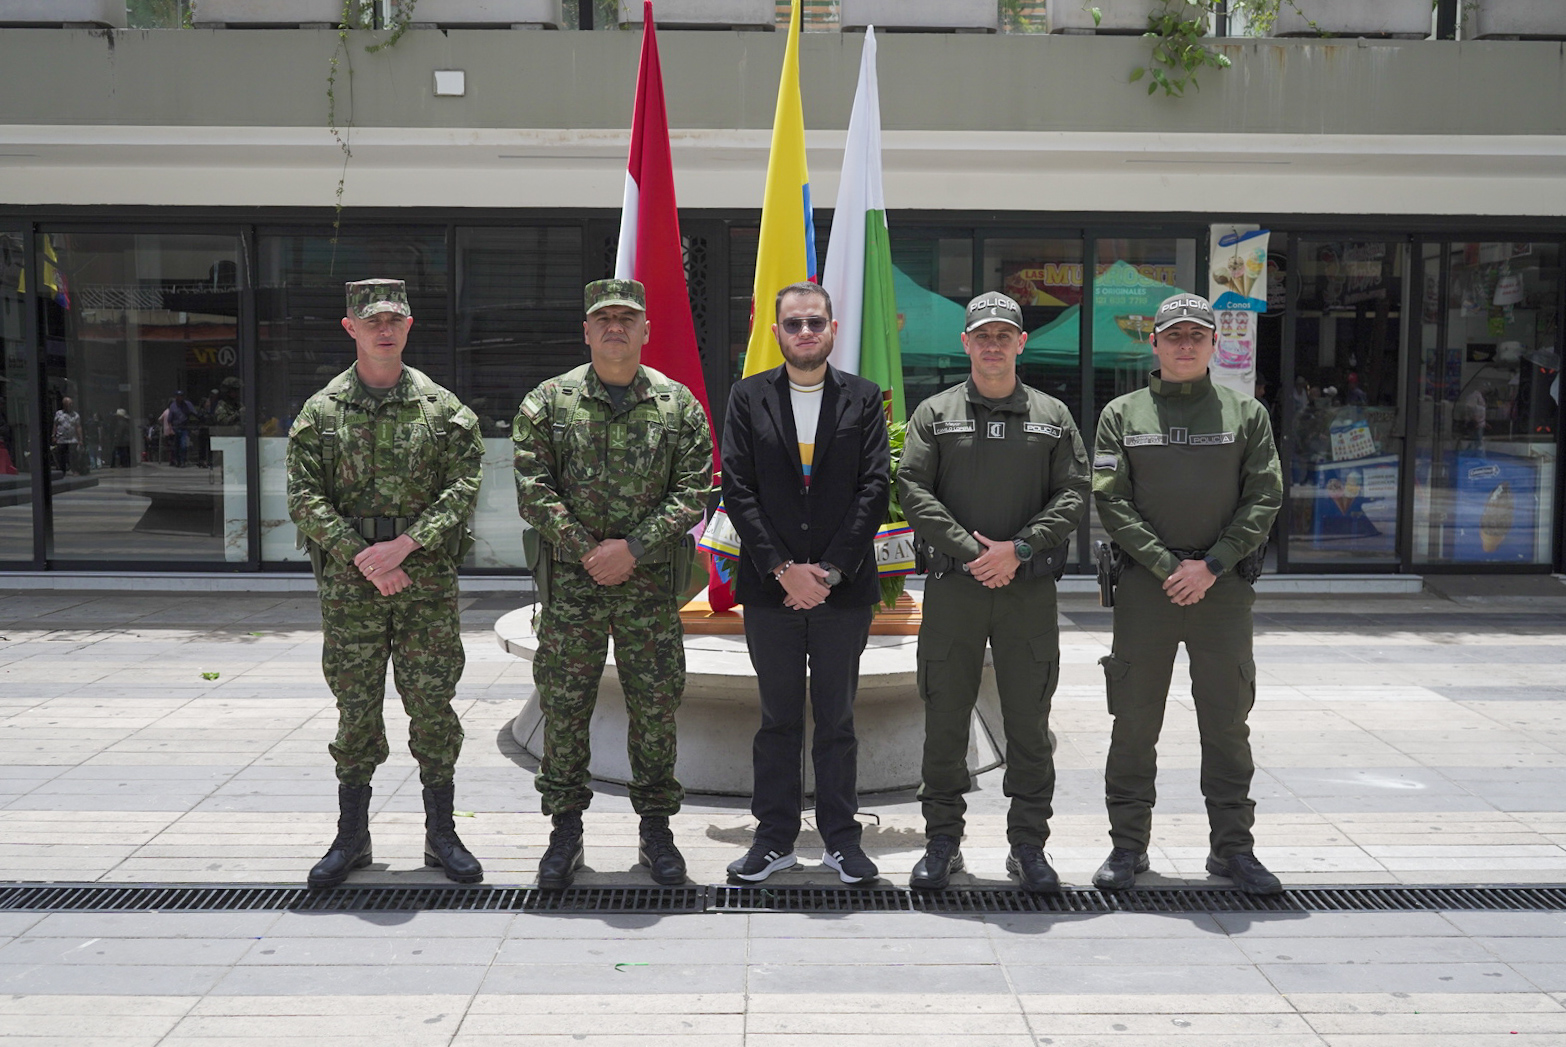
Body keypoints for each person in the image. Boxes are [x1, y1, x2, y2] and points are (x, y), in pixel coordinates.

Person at [287, 278, 486, 889]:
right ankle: (352, 837)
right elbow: (303, 497)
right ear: (350, 327)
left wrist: (404, 546)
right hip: (351, 586)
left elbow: (464, 487)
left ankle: (441, 835)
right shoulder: (322, 413)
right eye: (371, 320)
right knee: (355, 709)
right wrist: (365, 557)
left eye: (393, 319)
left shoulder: (443, 410)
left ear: (408, 325)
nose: (383, 329)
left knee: (433, 706)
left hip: (425, 579)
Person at [512, 278, 711, 889]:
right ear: (587, 331)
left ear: (646, 329)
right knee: (565, 707)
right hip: (573, 588)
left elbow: (695, 490)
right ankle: (564, 831)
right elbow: (531, 488)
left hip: (648, 589)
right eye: (604, 319)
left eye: (627, 318)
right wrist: (589, 552)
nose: (615, 327)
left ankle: (656, 831)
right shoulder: (549, 402)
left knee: (655, 708)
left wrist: (633, 549)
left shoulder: (678, 406)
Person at [1091, 291, 1283, 895]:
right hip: (1146, 592)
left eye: (1196, 336)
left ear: (1214, 345)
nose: (1184, 345)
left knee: (1226, 723)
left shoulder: (1246, 414)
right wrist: (1167, 565)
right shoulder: (1122, 414)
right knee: (1133, 722)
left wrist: (1213, 564)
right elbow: (1111, 500)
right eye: (1173, 335)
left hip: (1221, 592)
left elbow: (1265, 497)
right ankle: (1128, 847)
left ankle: (1233, 850)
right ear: (1153, 343)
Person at [898, 291, 1090, 893]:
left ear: (1021, 343)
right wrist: (973, 552)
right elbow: (912, 487)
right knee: (945, 721)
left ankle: (1028, 846)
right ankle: (942, 842)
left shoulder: (1052, 416)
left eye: (1004, 334)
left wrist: (1020, 549)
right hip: (955, 589)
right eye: (982, 335)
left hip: (1025, 593)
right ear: (966, 343)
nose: (992, 344)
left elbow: (1075, 492)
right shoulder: (935, 413)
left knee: (1029, 725)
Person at [720, 281, 891, 885]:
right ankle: (774, 840)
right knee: (778, 721)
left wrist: (830, 571)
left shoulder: (864, 398)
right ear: (776, 333)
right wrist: (782, 569)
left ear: (833, 329)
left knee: (837, 721)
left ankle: (842, 841)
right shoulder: (748, 397)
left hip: (844, 591)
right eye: (793, 324)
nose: (805, 333)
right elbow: (737, 488)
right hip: (772, 591)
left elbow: (875, 488)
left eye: (815, 322)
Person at [51, 396, 82, 476]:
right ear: (64, 405)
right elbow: (55, 425)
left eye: (71, 404)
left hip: (72, 439)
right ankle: (62, 471)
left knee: (73, 455)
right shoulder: (58, 414)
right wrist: (53, 436)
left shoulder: (75, 415)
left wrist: (80, 439)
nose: (71, 405)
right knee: (61, 456)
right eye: (69, 404)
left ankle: (75, 470)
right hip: (61, 439)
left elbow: (78, 427)